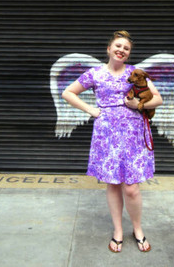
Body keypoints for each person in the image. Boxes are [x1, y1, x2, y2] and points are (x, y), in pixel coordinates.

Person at [62, 30, 163, 253]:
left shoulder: (135, 72)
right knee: (113, 183)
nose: (122, 50)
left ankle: (137, 228)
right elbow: (68, 93)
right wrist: (91, 110)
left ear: (128, 54)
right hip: (106, 133)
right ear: (109, 49)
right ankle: (118, 230)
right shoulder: (95, 73)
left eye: (126, 48)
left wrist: (137, 104)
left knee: (132, 188)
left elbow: (157, 99)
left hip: (133, 134)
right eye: (118, 46)